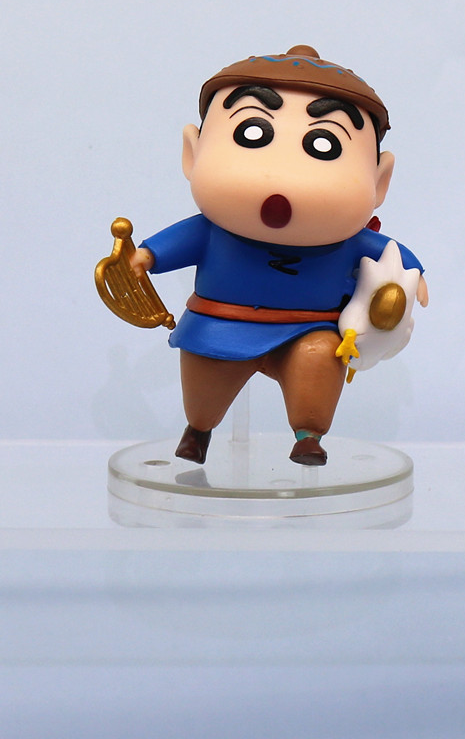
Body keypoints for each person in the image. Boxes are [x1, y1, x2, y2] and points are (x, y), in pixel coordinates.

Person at [131, 45, 427, 466]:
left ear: (379, 182)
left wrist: (413, 277)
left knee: (320, 358)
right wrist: (146, 256)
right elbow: (171, 245)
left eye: (324, 145)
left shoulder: (351, 241)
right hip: (221, 323)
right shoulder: (211, 230)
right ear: (192, 155)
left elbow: (394, 258)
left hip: (310, 327)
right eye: (252, 134)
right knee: (205, 374)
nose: (283, 175)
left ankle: (308, 436)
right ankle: (198, 430)